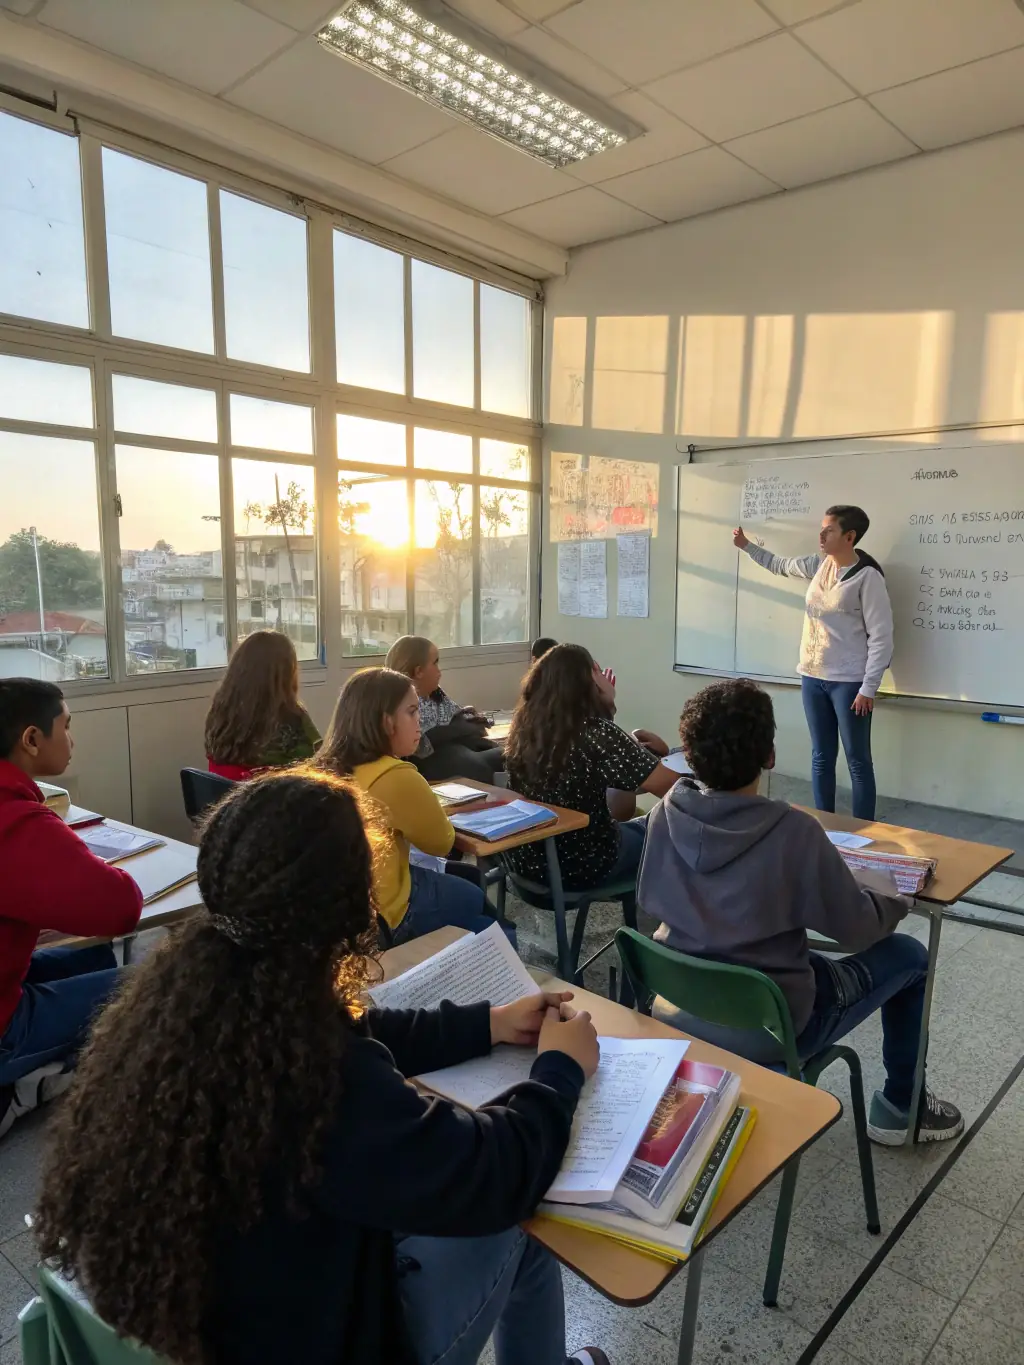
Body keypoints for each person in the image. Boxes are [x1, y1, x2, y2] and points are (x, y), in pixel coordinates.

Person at [34, 769, 610, 1365]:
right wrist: (559, 1072)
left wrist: (487, 1023)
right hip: (330, 1338)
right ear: (346, 904)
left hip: (231, 1309)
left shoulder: (197, 995)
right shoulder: (323, 1083)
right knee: (521, 1220)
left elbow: (353, 1029)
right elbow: (497, 1171)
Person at [640, 678, 962, 1145]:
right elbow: (858, 931)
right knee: (910, 955)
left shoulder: (663, 813)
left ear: (687, 756)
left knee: (797, 962)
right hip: (770, 1025)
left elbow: (652, 902)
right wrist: (891, 891)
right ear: (769, 756)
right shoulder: (794, 832)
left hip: (677, 1004)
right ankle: (901, 1107)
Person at [0, 679, 142, 1140]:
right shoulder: (18, 824)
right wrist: (79, 858)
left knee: (96, 957)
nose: (72, 739)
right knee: (147, 982)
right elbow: (121, 908)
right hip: (4, 1023)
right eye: (66, 726)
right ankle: (26, 1087)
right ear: (31, 739)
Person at [319, 668, 512, 946]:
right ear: (386, 722)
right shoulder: (395, 774)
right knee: (475, 898)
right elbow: (442, 843)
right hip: (388, 911)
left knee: (469, 886)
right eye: (411, 712)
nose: (419, 721)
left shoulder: (325, 767)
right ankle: (501, 966)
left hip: (347, 906)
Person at [733, 506, 892, 821]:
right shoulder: (818, 565)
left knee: (857, 760)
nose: (821, 535)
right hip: (812, 676)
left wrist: (868, 688)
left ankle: (866, 831)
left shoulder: (867, 578)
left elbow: (882, 637)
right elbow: (779, 564)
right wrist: (746, 546)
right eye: (822, 528)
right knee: (821, 756)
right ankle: (825, 825)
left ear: (849, 537)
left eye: (829, 530)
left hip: (849, 683)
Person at [504, 644, 677, 891]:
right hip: (583, 866)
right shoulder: (596, 733)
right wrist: (670, 754)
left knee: (627, 812)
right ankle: (680, 919)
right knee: (665, 828)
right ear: (591, 676)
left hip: (527, 864)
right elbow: (672, 789)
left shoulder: (524, 728)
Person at [385, 635, 504, 784]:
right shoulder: (405, 704)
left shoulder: (434, 694)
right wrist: (460, 728)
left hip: (459, 752)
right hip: (437, 763)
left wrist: (468, 720)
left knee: (507, 753)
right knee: (508, 757)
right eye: (435, 663)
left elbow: (454, 716)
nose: (439, 671)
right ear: (419, 671)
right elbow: (423, 744)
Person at [205, 630, 321, 781]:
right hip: (269, 801)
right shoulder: (292, 718)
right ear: (286, 673)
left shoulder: (219, 712)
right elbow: (317, 769)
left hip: (226, 801)